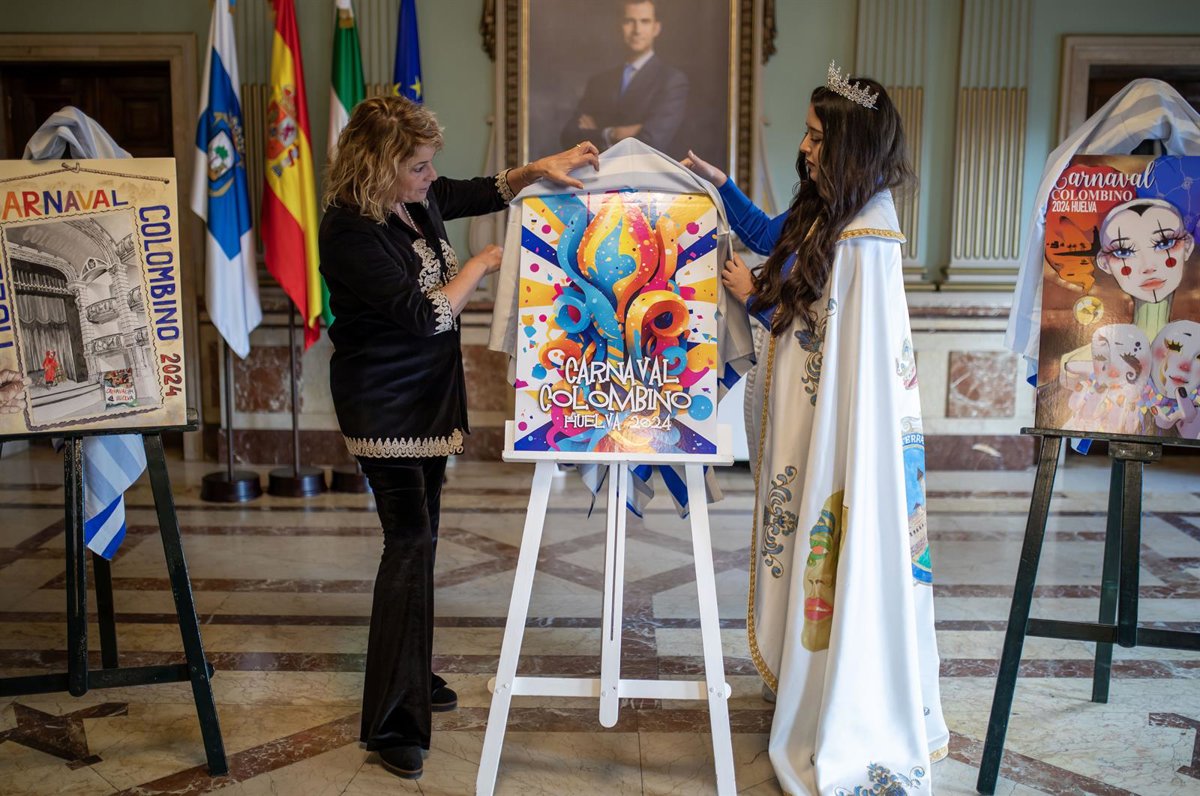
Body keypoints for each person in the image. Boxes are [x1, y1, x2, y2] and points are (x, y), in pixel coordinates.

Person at [683, 63, 949, 794]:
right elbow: (774, 237)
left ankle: (833, 694)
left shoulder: (864, 237)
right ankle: (808, 679)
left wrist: (754, 297)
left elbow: (821, 334)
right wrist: (720, 184)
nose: (804, 147)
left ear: (850, 145)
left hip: (839, 439)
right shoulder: (830, 207)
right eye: (805, 133)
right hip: (808, 421)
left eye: (815, 136)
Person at [318, 95, 598, 781]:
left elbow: (480, 190)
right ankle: (392, 723)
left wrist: (540, 168)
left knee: (425, 541)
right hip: (383, 405)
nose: (430, 176)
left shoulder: (414, 200)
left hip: (431, 397)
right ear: (379, 166)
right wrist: (478, 266)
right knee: (408, 543)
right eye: (418, 166)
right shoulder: (348, 229)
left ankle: (412, 675)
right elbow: (424, 316)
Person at [559, 0, 688, 154]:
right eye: (629, 21)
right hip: (599, 169)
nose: (637, 30)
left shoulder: (672, 81)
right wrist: (612, 133)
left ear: (656, 28)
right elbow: (569, 137)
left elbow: (651, 142)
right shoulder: (599, 82)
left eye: (645, 21)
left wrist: (596, 132)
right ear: (619, 26)